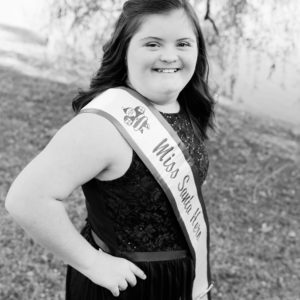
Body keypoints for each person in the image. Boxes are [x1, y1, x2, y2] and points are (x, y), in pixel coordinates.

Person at [5, 0, 215, 299]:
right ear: (125, 49)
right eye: (152, 43)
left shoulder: (181, 105)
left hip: (177, 281)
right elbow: (26, 199)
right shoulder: (101, 126)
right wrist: (92, 263)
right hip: (123, 286)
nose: (170, 56)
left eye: (183, 43)